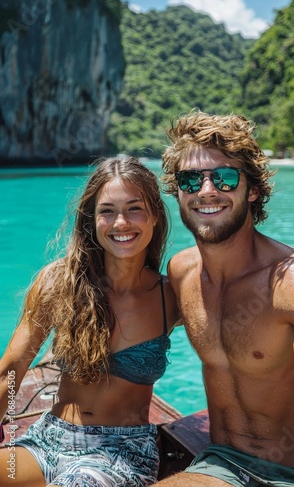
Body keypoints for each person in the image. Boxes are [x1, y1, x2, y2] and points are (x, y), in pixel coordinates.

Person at [155, 111, 294, 486]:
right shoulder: (182, 273)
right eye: (191, 179)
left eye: (224, 177)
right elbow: (137, 319)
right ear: (179, 191)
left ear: (252, 189)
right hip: (223, 465)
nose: (206, 191)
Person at [0, 156, 179, 486]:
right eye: (107, 211)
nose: (120, 222)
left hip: (121, 452)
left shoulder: (171, 296)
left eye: (134, 208)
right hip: (46, 441)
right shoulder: (60, 283)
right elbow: (12, 369)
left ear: (155, 215)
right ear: (91, 220)